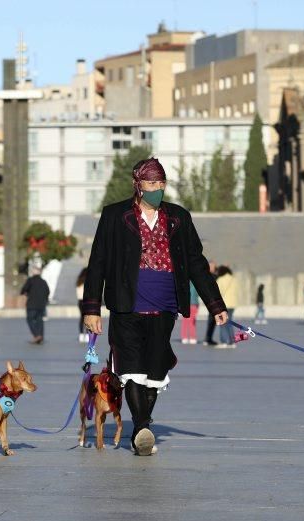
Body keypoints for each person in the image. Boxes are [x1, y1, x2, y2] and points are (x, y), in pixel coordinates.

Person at [82, 157, 228, 456]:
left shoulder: (178, 217)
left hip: (165, 305)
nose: (157, 189)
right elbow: (98, 262)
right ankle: (141, 427)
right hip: (127, 304)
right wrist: (92, 308)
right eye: (151, 183)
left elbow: (197, 263)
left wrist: (215, 305)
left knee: (154, 370)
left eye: (161, 183)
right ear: (138, 185)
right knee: (132, 368)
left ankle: (143, 423)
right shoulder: (114, 215)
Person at [20, 266, 50, 345]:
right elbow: (47, 291)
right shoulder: (43, 281)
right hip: (41, 305)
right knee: (39, 320)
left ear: (33, 272)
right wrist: (45, 300)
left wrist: (26, 293)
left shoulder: (30, 280)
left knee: (30, 319)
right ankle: (41, 336)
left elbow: (23, 290)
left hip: (31, 304)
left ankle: (37, 335)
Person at [216, 265, 238, 348]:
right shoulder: (234, 279)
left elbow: (218, 292)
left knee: (222, 322)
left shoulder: (221, 279)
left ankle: (224, 341)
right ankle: (232, 342)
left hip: (224, 304)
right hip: (233, 304)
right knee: (230, 323)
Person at [202, 260, 219, 346]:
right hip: (211, 301)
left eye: (214, 266)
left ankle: (209, 338)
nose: (213, 267)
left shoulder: (216, 275)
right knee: (211, 320)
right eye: (212, 266)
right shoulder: (207, 275)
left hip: (216, 300)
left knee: (214, 321)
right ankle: (207, 338)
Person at [76, 268, 89, 342]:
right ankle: (87, 335)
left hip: (80, 301)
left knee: (81, 318)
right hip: (86, 301)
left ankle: (81, 335)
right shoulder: (87, 282)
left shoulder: (78, 282)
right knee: (87, 318)